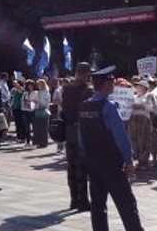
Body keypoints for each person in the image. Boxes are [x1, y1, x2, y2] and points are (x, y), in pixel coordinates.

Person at [77, 67, 144, 231]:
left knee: (98, 204)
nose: (114, 84)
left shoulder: (84, 106)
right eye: (111, 81)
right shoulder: (109, 106)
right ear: (105, 84)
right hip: (111, 163)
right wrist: (129, 161)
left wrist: (87, 158)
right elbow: (121, 137)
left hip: (93, 162)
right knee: (126, 203)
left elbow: (81, 137)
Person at [62, 64, 94, 211]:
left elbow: (63, 110)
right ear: (85, 74)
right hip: (83, 130)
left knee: (71, 165)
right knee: (82, 165)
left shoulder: (67, 88)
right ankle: (83, 201)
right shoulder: (88, 90)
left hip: (70, 130)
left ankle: (73, 199)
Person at [128, 78, 153, 171]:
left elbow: (151, 108)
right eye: (137, 86)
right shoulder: (133, 96)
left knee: (144, 141)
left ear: (145, 88)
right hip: (133, 120)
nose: (137, 87)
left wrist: (140, 106)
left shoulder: (149, 96)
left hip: (143, 120)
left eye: (140, 86)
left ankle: (145, 162)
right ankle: (139, 161)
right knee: (135, 141)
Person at [31, 79, 52, 148]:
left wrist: (38, 102)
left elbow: (44, 102)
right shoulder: (38, 92)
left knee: (44, 128)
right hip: (37, 110)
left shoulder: (46, 92)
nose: (38, 86)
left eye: (39, 84)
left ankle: (43, 142)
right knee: (37, 128)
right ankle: (38, 142)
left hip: (44, 110)